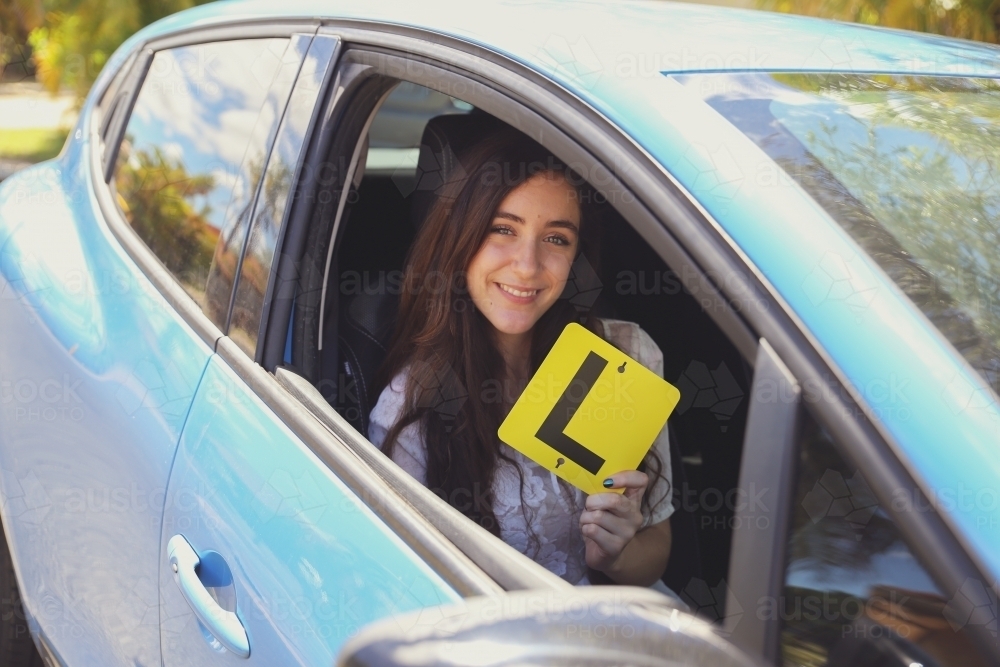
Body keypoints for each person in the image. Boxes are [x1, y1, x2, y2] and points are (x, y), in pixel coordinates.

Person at [369, 127, 674, 586]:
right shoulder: (413, 405)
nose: (528, 265)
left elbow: (656, 552)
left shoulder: (625, 354)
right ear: (460, 240)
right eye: (503, 229)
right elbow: (406, 589)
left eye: (556, 239)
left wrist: (617, 555)